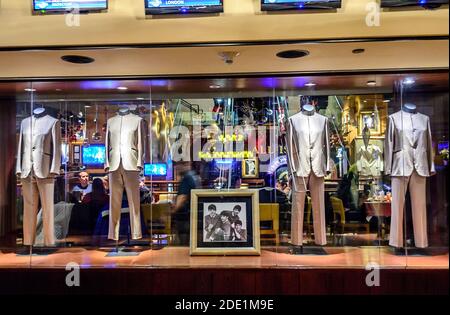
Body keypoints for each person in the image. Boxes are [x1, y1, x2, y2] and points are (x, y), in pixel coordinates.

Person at [172, 162, 201, 245]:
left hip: (185, 216)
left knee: (184, 243)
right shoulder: (194, 176)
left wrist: (173, 211)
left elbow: (182, 198)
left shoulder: (187, 178)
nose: (177, 168)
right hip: (192, 216)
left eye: (179, 165)